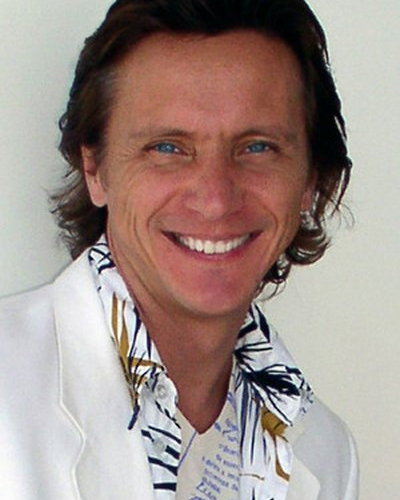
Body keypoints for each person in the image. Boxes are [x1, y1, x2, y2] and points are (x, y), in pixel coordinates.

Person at [0, 1, 358, 499]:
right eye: (167, 148)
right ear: (95, 169)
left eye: (257, 147)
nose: (215, 199)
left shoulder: (324, 450)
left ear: (309, 181)